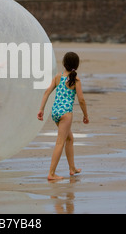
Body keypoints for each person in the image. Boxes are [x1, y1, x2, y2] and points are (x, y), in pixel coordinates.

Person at [37, 52, 89, 180]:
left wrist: (41, 109)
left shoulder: (58, 77)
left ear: (64, 64)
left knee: (69, 139)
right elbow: (81, 100)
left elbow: (46, 92)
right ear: (76, 65)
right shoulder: (75, 80)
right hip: (66, 114)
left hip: (55, 113)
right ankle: (51, 173)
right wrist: (85, 115)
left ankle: (72, 168)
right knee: (60, 142)